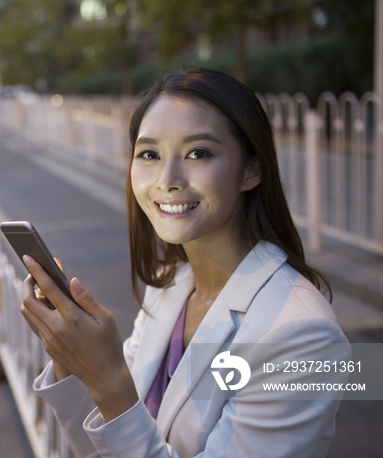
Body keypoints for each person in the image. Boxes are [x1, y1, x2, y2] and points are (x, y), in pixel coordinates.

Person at [19, 68, 349, 458]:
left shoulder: (303, 335)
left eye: (198, 153)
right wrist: (68, 354)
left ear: (251, 170)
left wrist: (107, 376)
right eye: (149, 154)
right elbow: (99, 447)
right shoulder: (172, 283)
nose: (168, 179)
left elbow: (117, 409)